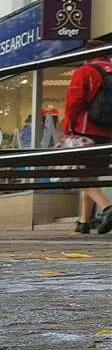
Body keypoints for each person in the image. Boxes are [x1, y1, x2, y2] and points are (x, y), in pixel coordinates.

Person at [63, 55, 112, 234]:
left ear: (86, 57)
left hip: (86, 130)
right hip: (108, 133)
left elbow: (74, 102)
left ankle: (107, 208)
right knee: (91, 175)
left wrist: (68, 128)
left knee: (80, 174)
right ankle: (84, 221)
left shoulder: (86, 71)